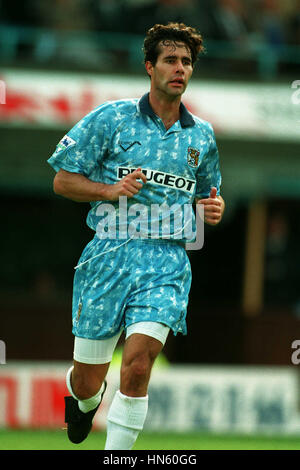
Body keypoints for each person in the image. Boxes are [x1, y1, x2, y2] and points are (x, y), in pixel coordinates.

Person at [47, 22, 225, 450]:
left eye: (186, 62)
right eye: (170, 60)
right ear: (150, 66)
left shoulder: (201, 135)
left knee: (140, 363)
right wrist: (109, 190)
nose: (179, 68)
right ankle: (86, 401)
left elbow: (208, 196)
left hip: (166, 261)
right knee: (89, 379)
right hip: (106, 259)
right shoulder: (112, 118)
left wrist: (212, 209)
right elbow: (62, 181)